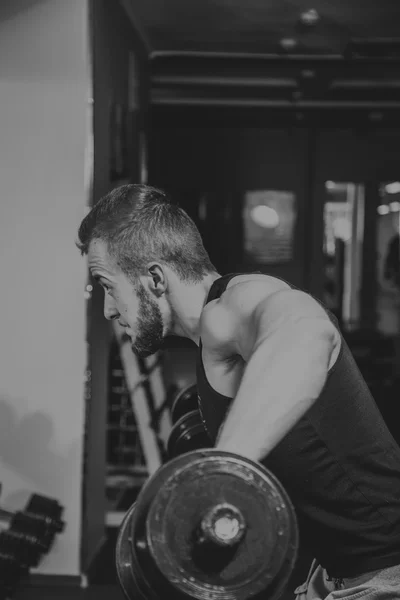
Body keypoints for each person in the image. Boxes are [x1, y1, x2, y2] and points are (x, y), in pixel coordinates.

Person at [77, 184, 400, 599]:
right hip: (335, 574)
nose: (107, 308)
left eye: (107, 284)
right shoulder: (211, 343)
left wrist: (218, 473)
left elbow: (306, 331)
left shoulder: (234, 304)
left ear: (154, 278)